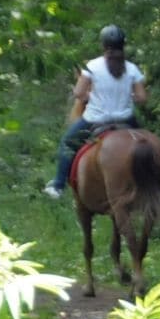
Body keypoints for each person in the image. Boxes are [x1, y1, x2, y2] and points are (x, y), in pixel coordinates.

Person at [45, 26, 147, 197]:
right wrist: (129, 96)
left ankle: (58, 186)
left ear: (103, 45)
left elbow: (78, 93)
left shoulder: (92, 66)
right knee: (146, 145)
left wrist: (90, 95)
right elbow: (142, 98)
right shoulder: (132, 69)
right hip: (126, 121)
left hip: (94, 120)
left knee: (67, 143)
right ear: (123, 45)